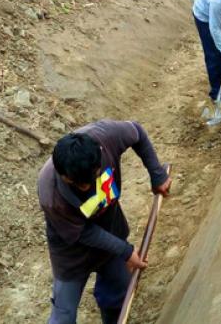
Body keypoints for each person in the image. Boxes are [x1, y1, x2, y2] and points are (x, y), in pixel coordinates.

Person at [37, 120, 172, 324]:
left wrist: (157, 174)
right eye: (77, 184)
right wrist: (125, 251)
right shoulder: (51, 194)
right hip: (72, 252)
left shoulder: (106, 137)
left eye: (92, 179)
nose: (85, 188)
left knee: (118, 295)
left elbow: (137, 132)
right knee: (63, 316)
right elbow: (83, 233)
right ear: (63, 175)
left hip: (111, 231)